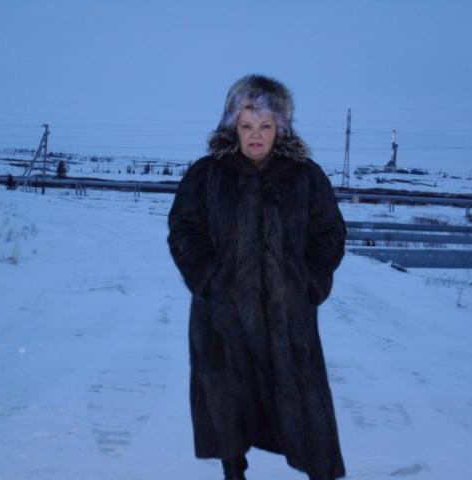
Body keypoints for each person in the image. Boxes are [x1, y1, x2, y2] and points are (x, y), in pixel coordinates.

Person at [168, 75, 346, 480]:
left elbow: (329, 232)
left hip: (289, 316)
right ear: (232, 125)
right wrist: (207, 278)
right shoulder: (206, 174)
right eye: (246, 125)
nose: (255, 135)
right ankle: (234, 470)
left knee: (304, 402)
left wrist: (314, 280)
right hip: (223, 314)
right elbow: (183, 228)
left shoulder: (305, 176)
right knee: (227, 397)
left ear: (280, 127)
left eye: (265, 126)